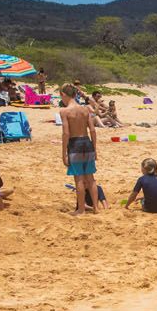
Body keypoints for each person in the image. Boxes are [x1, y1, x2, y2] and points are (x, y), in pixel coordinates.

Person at [60, 83, 100, 216]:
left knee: (79, 179)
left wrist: (64, 153)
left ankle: (81, 209)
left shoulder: (65, 111)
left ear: (64, 95)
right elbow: (93, 130)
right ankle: (96, 207)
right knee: (91, 178)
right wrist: (94, 148)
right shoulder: (85, 110)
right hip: (86, 142)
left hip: (75, 143)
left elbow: (66, 133)